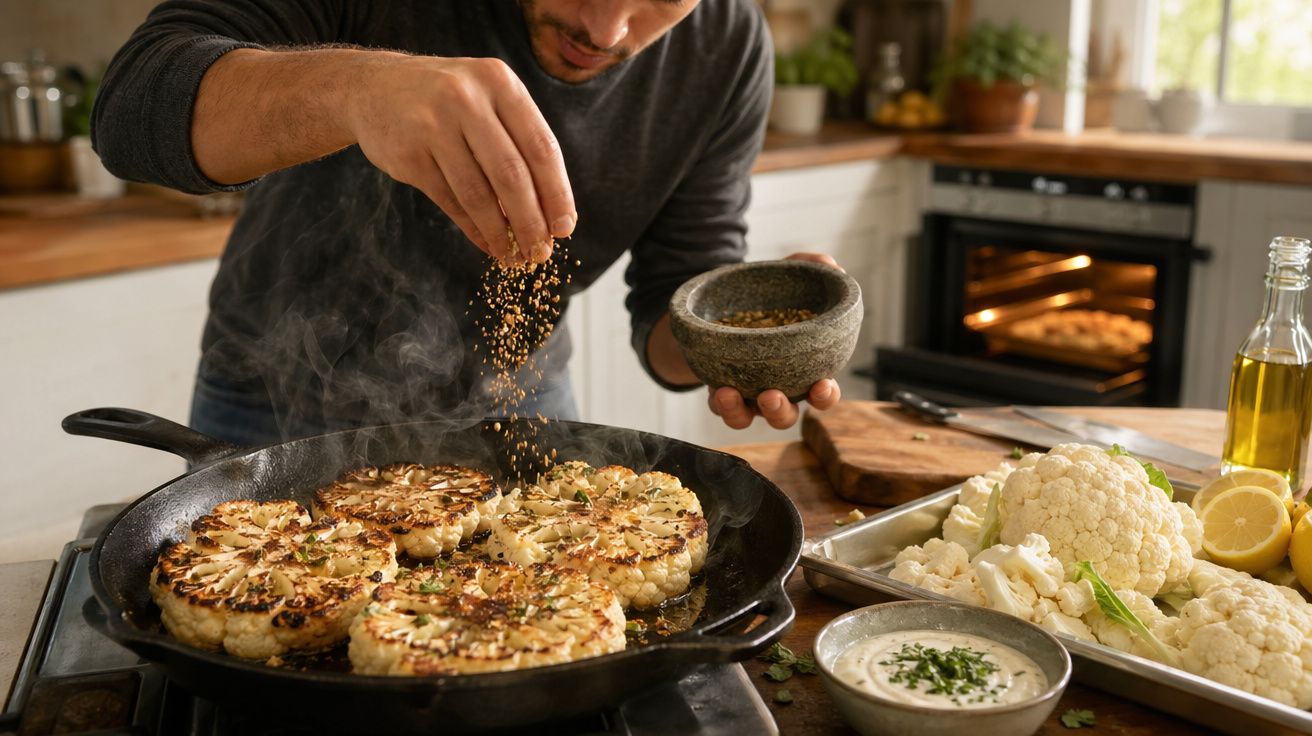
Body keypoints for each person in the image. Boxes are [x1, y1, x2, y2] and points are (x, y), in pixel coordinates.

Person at [93, 0, 842, 447]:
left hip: (522, 404)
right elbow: (130, 109)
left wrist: (737, 345)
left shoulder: (728, 43)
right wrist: (357, 91)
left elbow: (678, 290)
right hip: (277, 410)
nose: (607, 28)